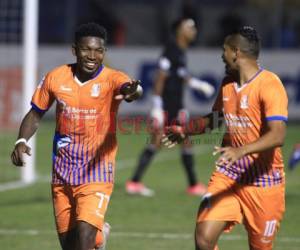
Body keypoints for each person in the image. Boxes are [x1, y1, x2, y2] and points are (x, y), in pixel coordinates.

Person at [11, 23, 143, 250]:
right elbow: (35, 114)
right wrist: (21, 141)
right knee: (71, 246)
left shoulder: (113, 78)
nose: (93, 56)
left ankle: (95, 236)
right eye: (86, 49)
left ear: (104, 52)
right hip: (62, 173)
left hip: (97, 172)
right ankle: (100, 237)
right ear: (75, 50)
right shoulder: (56, 78)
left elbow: (131, 89)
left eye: (98, 51)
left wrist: (133, 91)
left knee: (84, 241)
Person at [163, 26, 288, 250]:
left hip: (264, 183)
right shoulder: (227, 83)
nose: (222, 56)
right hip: (228, 176)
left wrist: (241, 150)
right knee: (203, 239)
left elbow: (277, 135)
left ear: (236, 52)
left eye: (224, 50)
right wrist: (186, 130)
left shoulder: (270, 84)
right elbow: (215, 120)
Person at [125, 17, 215, 197]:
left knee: (183, 141)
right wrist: (157, 106)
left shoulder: (180, 51)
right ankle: (134, 182)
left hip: (175, 105)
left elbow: (180, 74)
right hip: (167, 106)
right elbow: (160, 76)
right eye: (189, 27)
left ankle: (192, 184)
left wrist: (197, 84)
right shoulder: (171, 49)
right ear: (179, 31)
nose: (194, 30)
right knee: (160, 140)